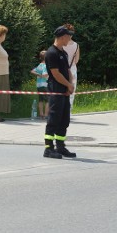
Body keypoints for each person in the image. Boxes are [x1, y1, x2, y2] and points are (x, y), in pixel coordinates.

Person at [43, 25, 76, 159]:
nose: (70, 38)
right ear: (62, 37)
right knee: (54, 119)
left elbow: (67, 71)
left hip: (64, 90)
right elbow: (55, 73)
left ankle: (60, 147)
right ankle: (49, 148)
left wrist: (70, 86)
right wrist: (68, 85)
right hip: (56, 90)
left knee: (64, 119)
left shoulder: (64, 52)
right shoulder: (51, 53)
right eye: (68, 36)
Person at [62, 23, 80, 107]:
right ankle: (69, 111)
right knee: (72, 91)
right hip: (72, 69)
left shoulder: (61, 45)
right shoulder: (76, 45)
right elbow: (76, 60)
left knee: (61, 90)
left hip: (61, 69)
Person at [30, 50, 49, 119]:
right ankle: (46, 114)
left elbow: (32, 71)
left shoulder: (39, 65)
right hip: (45, 85)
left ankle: (41, 114)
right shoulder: (46, 65)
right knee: (48, 100)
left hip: (39, 85)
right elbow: (44, 74)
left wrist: (38, 74)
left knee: (41, 99)